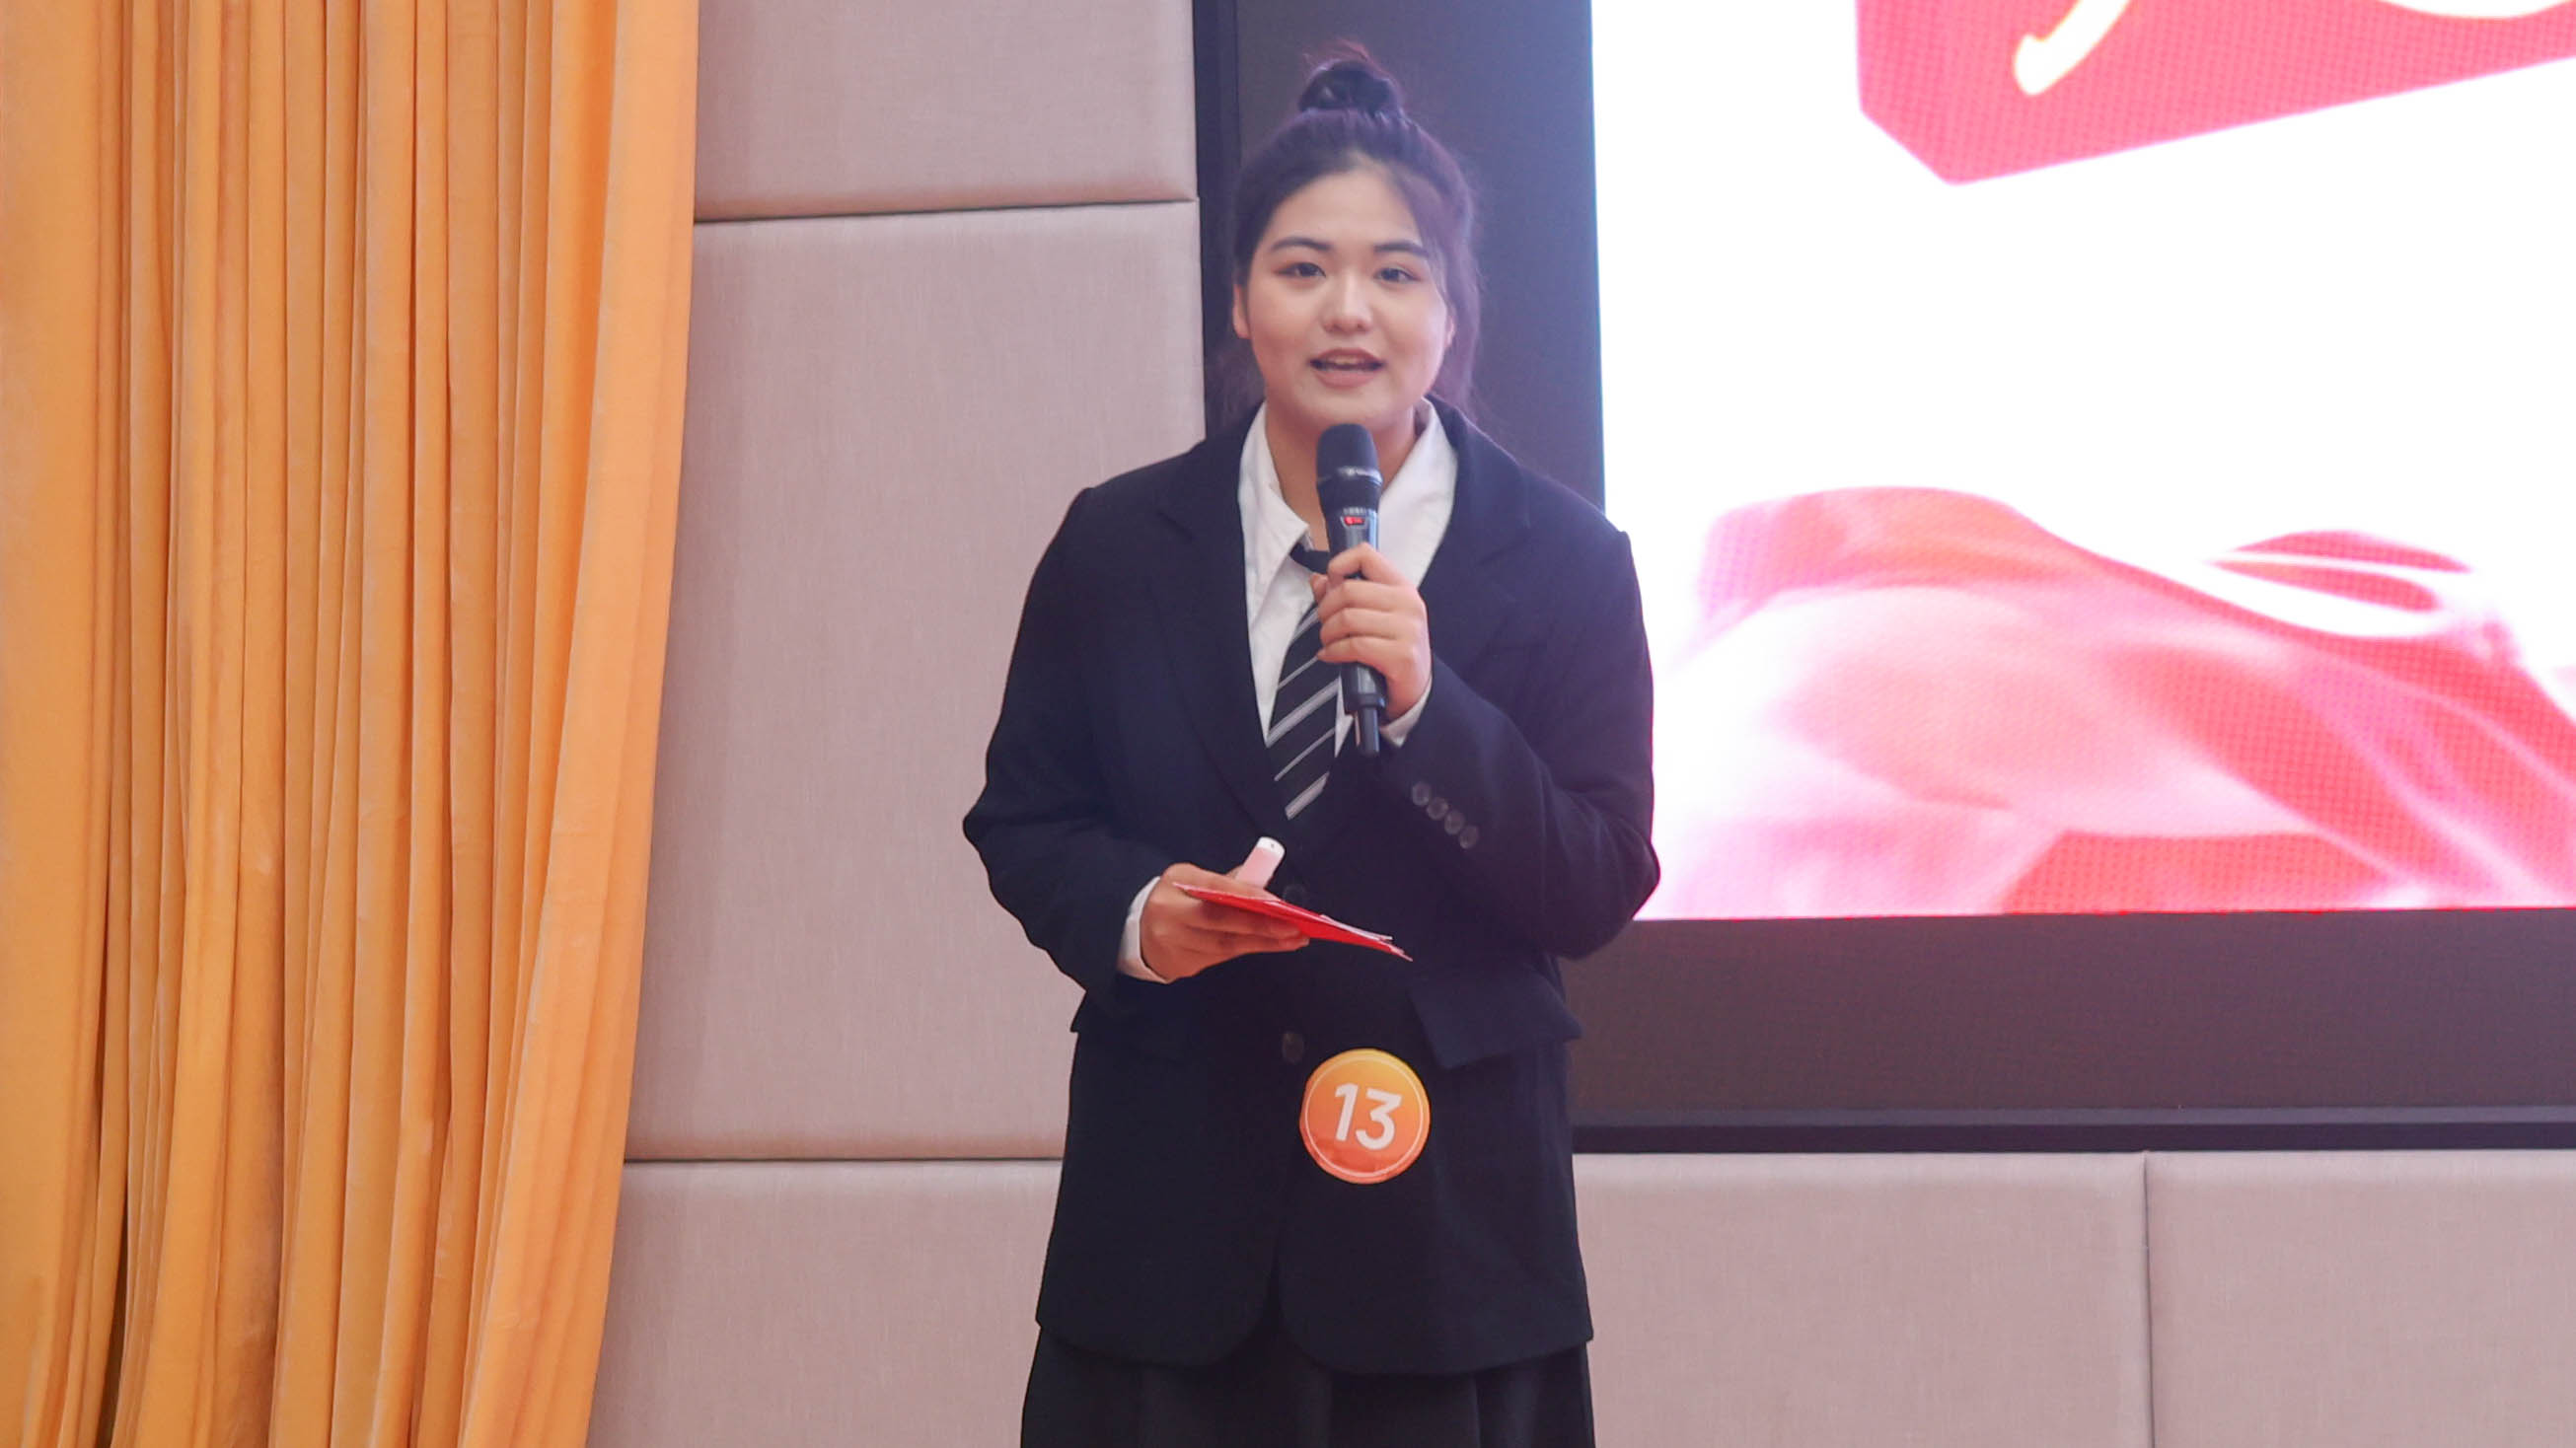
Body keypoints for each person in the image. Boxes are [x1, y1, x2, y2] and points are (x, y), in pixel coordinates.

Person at [963, 52, 1658, 1448]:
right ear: (1240, 300)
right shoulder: (1118, 542)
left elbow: (1594, 880)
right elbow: (1026, 818)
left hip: (1446, 1257)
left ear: (1450, 312)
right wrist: (1139, 915)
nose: (1350, 310)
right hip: (1167, 1243)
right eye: (1303, 269)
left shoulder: (1567, 560)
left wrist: (1430, 709)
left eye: (1396, 273)